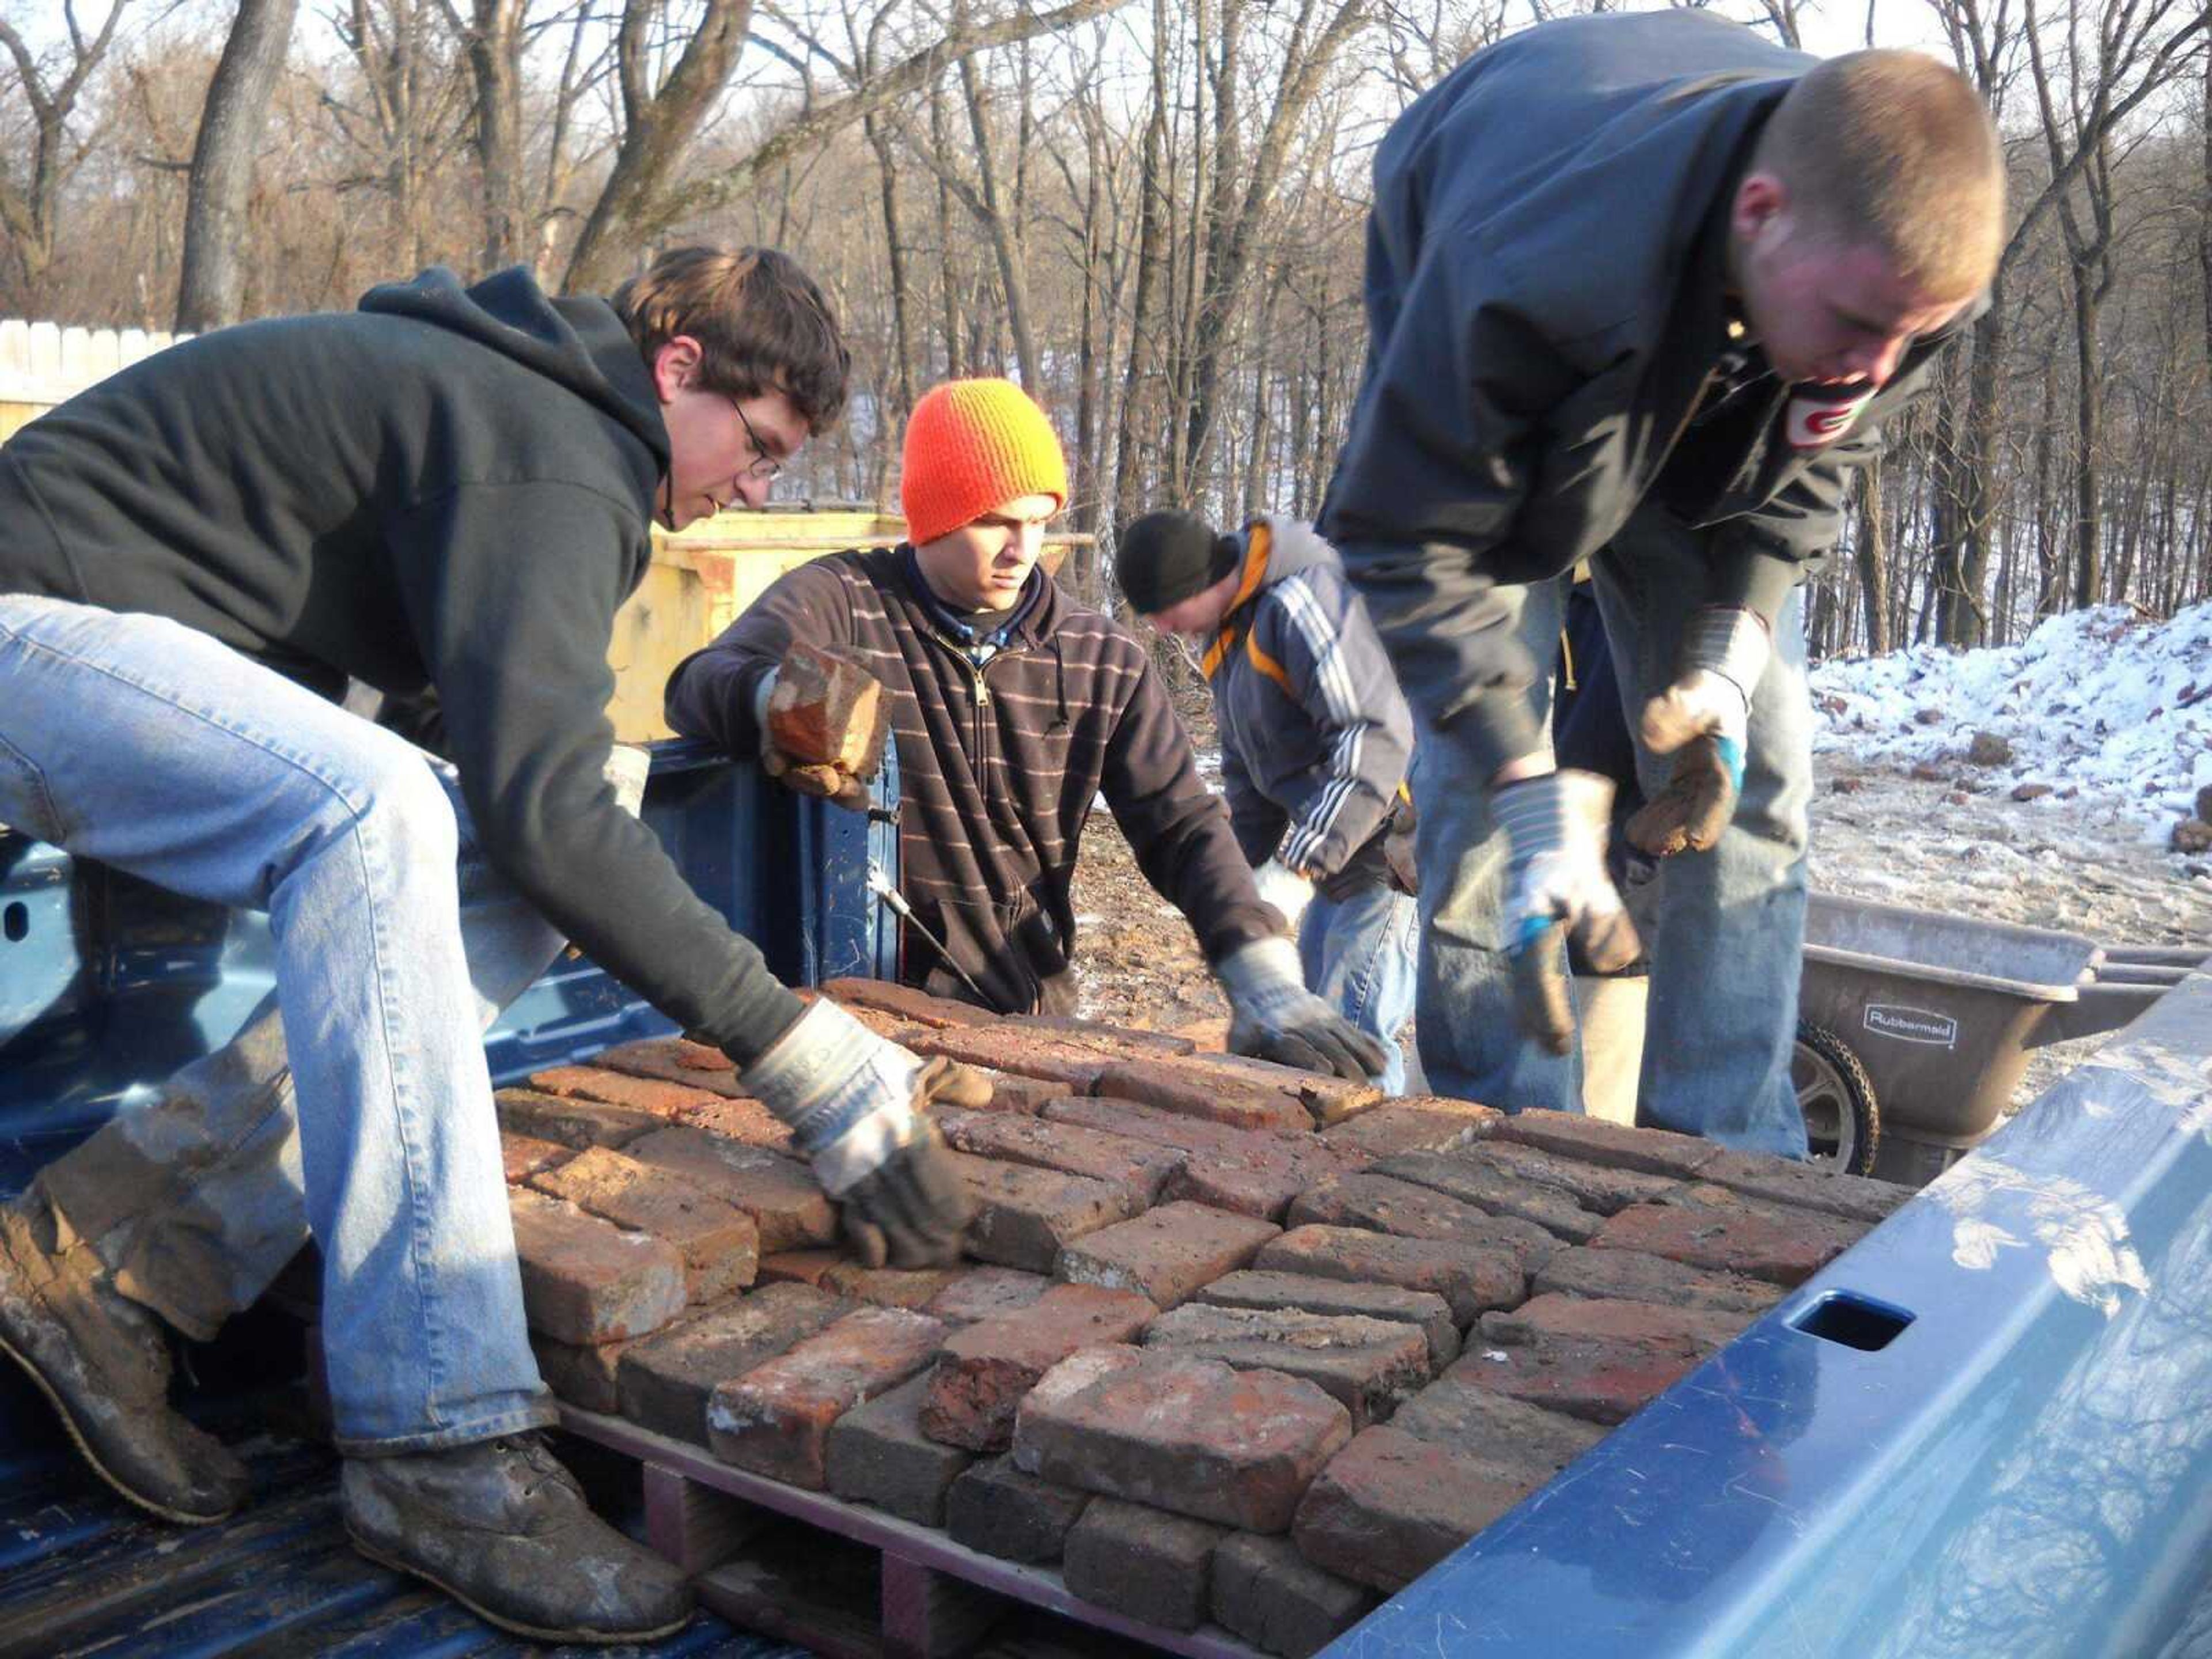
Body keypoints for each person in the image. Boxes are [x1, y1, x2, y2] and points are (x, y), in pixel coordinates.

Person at [0, 247, 990, 1642]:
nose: (757, 487)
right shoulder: (552, 448)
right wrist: (807, 1060)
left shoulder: (527, 421)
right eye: (757, 446)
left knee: (500, 866)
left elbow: (540, 784)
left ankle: (106, 1257)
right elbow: (539, 806)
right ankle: (438, 1443)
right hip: (23, 623)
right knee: (383, 810)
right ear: (678, 370)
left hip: (96, 651)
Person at [1319, 15, 2004, 1153]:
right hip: (1506, 306)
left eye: (1907, 339)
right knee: (1484, 799)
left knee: (1759, 769)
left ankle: (1726, 1153)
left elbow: (1814, 458)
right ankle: (1507, 1129)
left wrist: (1726, 664)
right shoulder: (1518, 270)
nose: (1881, 367)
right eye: (1858, 329)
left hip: (1705, 378)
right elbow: (1403, 538)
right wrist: (1523, 768)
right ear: (1761, 214)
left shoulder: (1895, 273)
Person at [664, 378, 1387, 1084]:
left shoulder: (1099, 660)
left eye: (1038, 521)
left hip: (1029, 1015)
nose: (1022, 548)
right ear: (933, 518)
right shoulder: (846, 603)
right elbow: (698, 682)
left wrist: (1259, 970)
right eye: (994, 523)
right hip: (855, 1014)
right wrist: (779, 700)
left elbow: (1186, 828)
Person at [1118, 509, 1420, 1092]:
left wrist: (1295, 868)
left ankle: (1368, 1173)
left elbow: (1374, 739)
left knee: (1352, 1038)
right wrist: (1239, 888)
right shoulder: (1226, 640)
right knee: (1300, 1028)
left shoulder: (1300, 603)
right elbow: (1248, 777)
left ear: (1199, 583)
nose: (1158, 628)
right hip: (1331, 854)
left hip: (1384, 847)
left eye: (1161, 611)